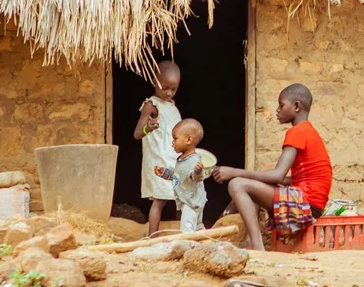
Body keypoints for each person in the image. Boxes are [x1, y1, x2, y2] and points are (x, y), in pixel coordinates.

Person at [212, 83, 331, 251]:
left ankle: (257, 246)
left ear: (296, 106)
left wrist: (233, 172)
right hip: (311, 204)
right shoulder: (308, 131)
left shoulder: (297, 131)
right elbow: (293, 178)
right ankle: (250, 242)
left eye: (281, 105)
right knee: (251, 187)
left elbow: (277, 176)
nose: (278, 110)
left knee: (237, 184)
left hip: (305, 204)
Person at [133, 60, 183, 237]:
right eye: (165, 87)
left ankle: (183, 232)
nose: (169, 92)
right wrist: (148, 128)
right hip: (159, 159)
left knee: (182, 196)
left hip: (174, 158)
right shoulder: (151, 105)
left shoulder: (171, 105)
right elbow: (137, 133)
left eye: (173, 89)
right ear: (154, 81)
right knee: (160, 199)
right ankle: (152, 236)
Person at [154, 118, 207, 232]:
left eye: (175, 138)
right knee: (197, 226)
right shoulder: (182, 159)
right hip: (189, 200)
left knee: (186, 225)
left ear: (189, 140)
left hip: (192, 202)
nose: (172, 142)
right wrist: (165, 173)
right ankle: (206, 240)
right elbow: (178, 176)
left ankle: (187, 242)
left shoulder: (194, 160)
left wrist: (198, 172)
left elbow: (197, 178)